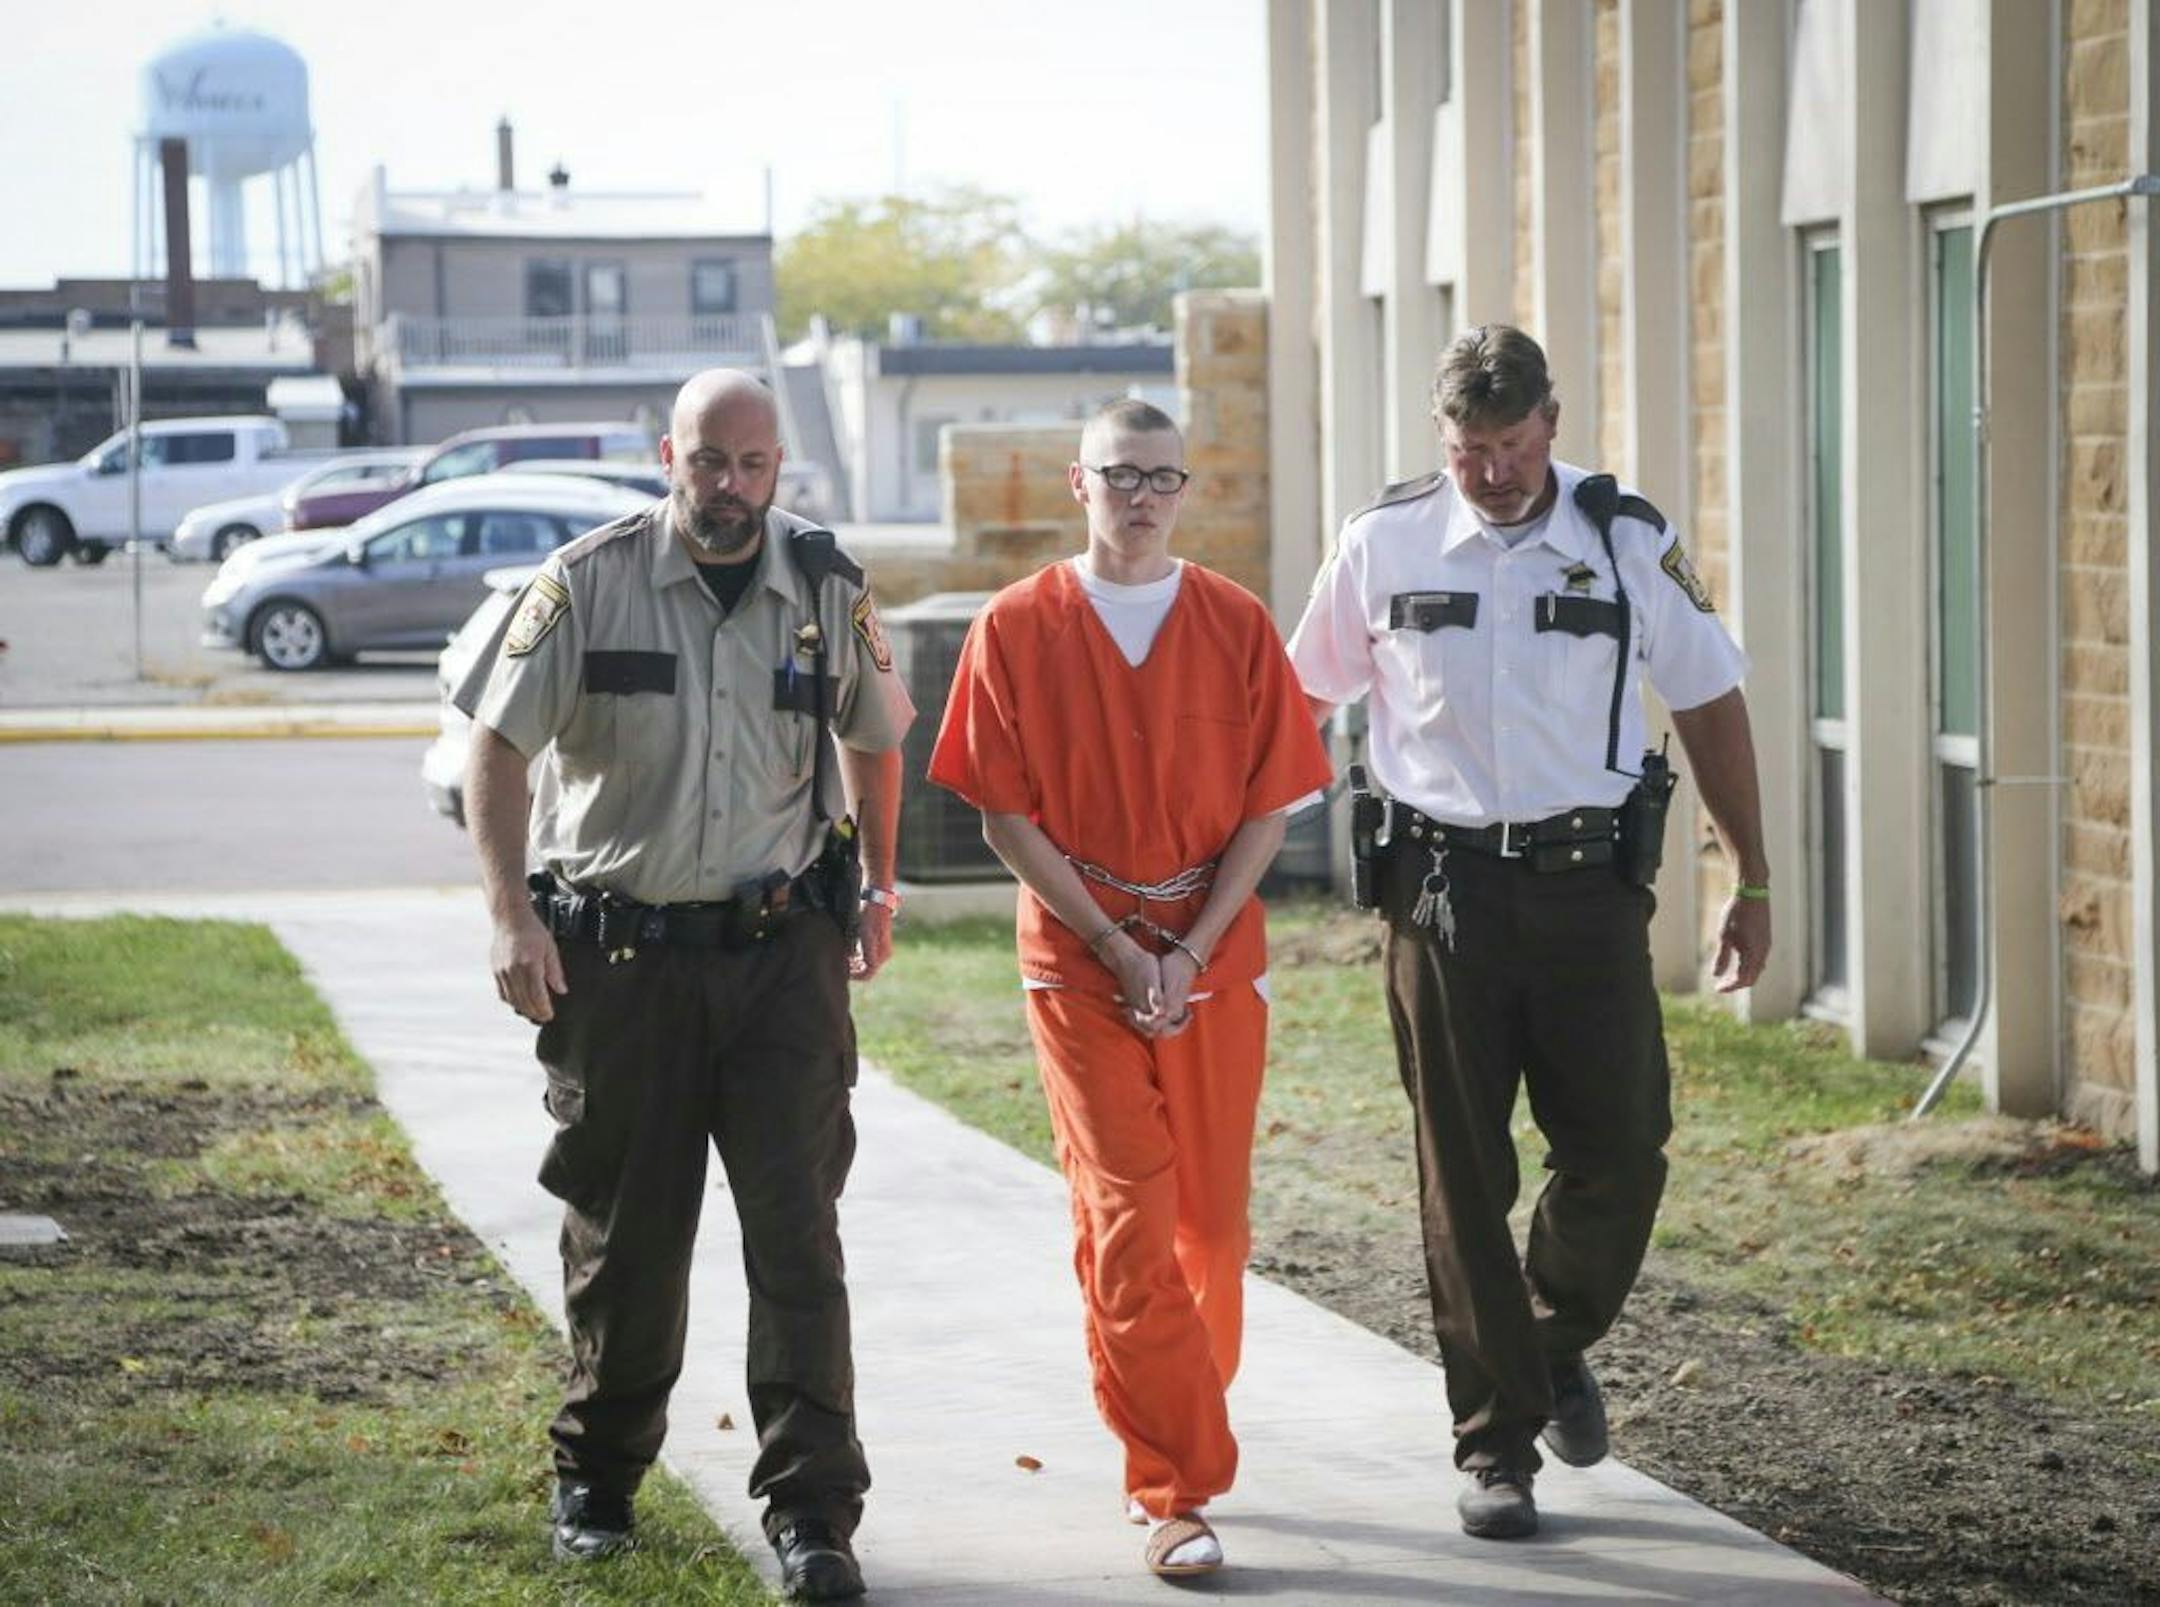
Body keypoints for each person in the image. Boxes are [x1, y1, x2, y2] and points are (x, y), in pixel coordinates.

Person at [1286, 325, 1771, 1541]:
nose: (1492, 472)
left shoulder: (1625, 537)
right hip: (1440, 895)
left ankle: (1546, 1347)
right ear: (1441, 439)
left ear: (1551, 423)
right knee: (1465, 1175)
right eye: (1467, 451)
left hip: (1585, 893)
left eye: (1509, 446)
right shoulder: (1383, 541)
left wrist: (1750, 874)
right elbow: (1295, 703)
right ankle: (1495, 1442)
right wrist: (1210, 861)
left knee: (1624, 1144)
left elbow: (1708, 696)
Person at [458, 368, 912, 1601]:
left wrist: (876, 884)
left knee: (797, 1240)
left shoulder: (825, 584)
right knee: (630, 1239)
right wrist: (510, 916)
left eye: (752, 465)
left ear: (779, 470)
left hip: (782, 964)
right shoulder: (589, 580)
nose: (729, 487)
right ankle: (598, 1479)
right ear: (671, 454)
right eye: (709, 461)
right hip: (621, 966)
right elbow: (493, 747)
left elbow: (877, 734)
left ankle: (814, 1511)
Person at [927, 398, 1333, 1579]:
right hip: (1077, 959)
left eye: (1163, 476)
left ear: (1186, 489)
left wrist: (1192, 949)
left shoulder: (1237, 623)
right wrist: (1119, 947)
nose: (1143, 495)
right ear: (1079, 482)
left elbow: (1270, 807)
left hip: (1214, 957)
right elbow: (1005, 814)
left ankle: (1175, 1425)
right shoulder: (1014, 627)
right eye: (1122, 474)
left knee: (1210, 1226)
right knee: (1126, 1218)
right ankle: (1171, 1483)